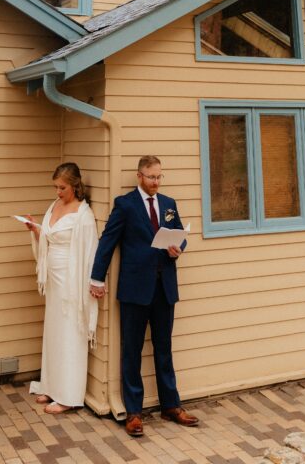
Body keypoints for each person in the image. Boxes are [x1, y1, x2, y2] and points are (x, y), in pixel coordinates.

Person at [89, 155, 199, 437]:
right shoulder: (125, 205)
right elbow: (107, 242)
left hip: (164, 288)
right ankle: (135, 413)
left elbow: (179, 235)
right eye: (152, 177)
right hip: (135, 290)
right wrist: (96, 278)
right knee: (131, 351)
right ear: (139, 176)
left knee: (164, 348)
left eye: (160, 177)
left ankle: (171, 405)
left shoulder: (169, 204)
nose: (156, 182)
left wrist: (178, 247)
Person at [23, 162, 99, 414]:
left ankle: (68, 394)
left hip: (71, 280)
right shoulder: (53, 206)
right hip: (53, 280)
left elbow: (90, 253)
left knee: (69, 332)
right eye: (55, 187)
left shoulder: (83, 215)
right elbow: (47, 237)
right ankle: (52, 385)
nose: (58, 192)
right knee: (54, 330)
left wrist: (93, 283)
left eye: (62, 187)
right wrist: (35, 230)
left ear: (75, 186)